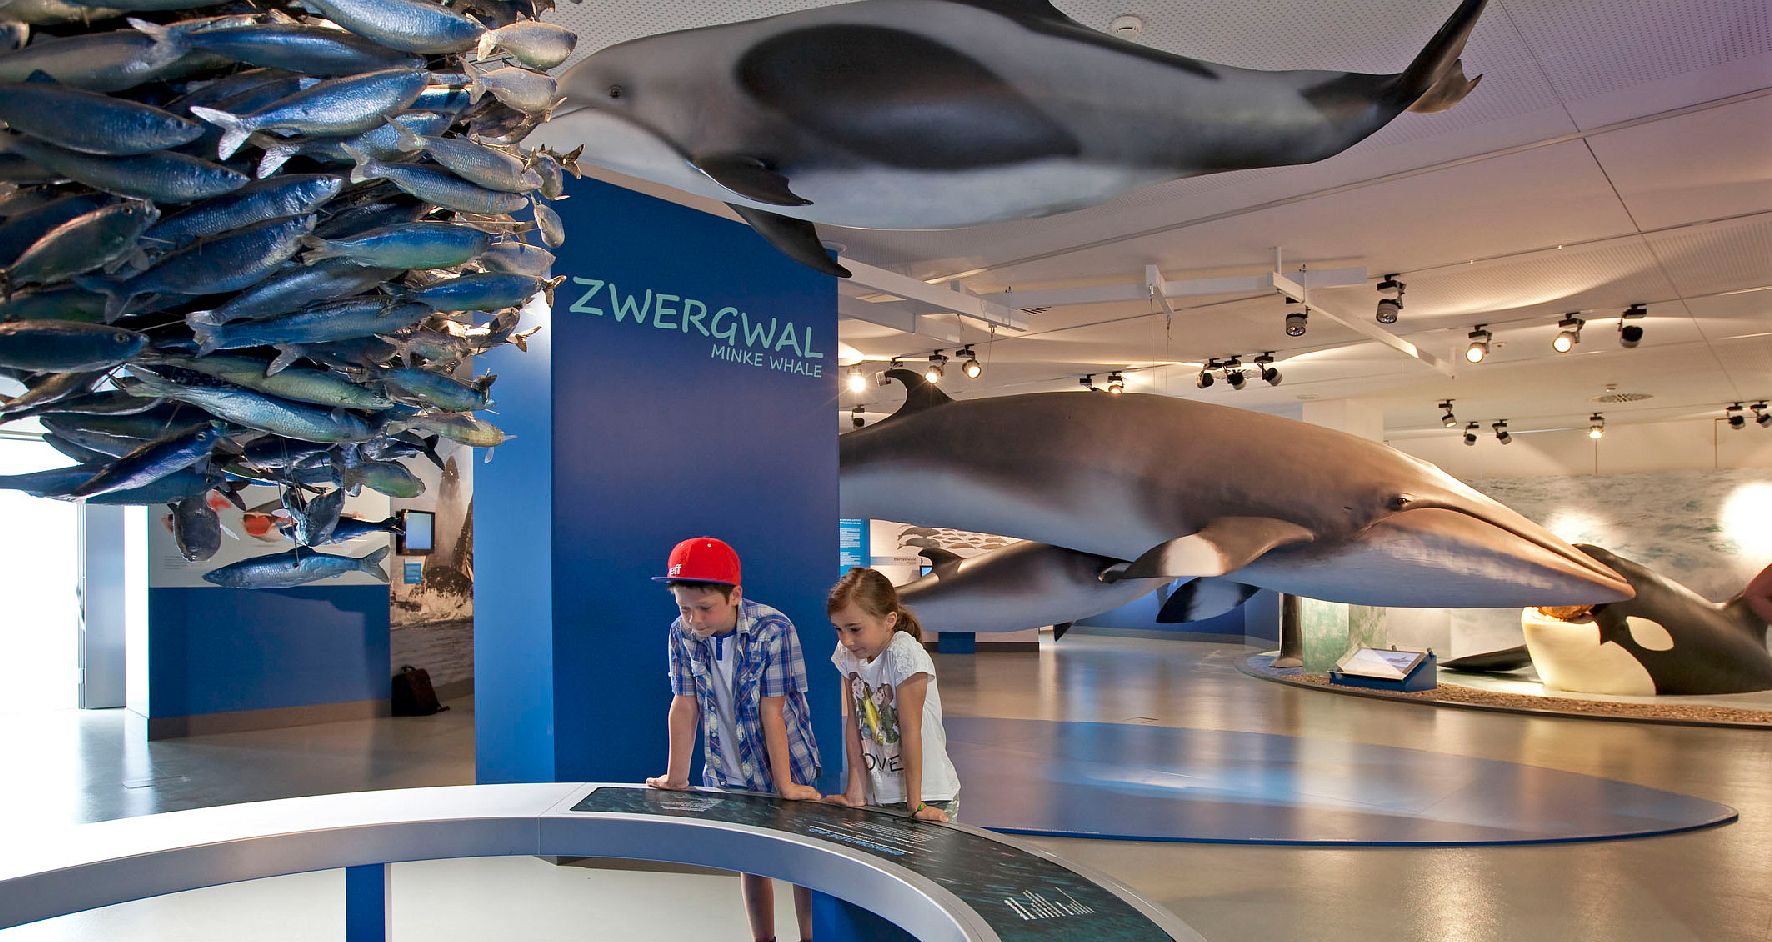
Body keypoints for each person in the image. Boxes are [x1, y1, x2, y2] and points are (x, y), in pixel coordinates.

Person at [644, 537, 821, 942]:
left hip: (786, 763)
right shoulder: (681, 633)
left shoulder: (773, 629)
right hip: (727, 770)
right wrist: (676, 776)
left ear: (735, 595)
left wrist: (786, 784)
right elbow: (684, 703)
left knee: (802, 864)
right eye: (684, 608)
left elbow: (773, 710)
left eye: (705, 608)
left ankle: (811, 938)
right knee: (751, 863)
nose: (695, 620)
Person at [822, 567, 961, 822]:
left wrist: (916, 804)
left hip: (928, 795)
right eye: (838, 629)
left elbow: (911, 730)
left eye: (855, 629)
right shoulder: (847, 655)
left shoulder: (904, 653)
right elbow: (855, 723)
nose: (846, 640)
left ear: (889, 620)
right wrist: (856, 790)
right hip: (882, 794)